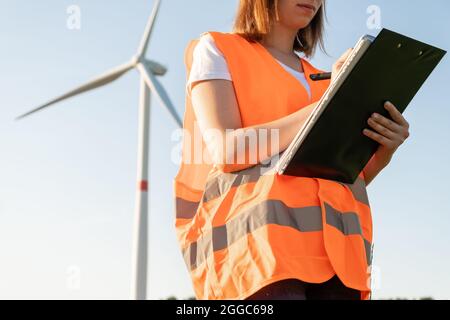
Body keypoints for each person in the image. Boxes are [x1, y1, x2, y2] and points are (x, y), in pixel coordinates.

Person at [174, 0, 410, 300]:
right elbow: (227, 150)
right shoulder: (217, 49)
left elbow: (345, 175)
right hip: (261, 254)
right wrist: (325, 107)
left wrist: (386, 149)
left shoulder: (325, 80)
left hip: (340, 261)